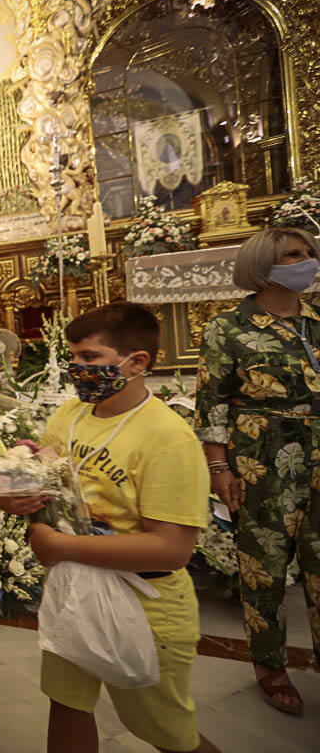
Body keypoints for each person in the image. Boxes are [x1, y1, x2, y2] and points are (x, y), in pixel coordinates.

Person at [0, 302, 220, 753]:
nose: (78, 369)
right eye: (74, 358)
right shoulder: (70, 416)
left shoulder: (167, 437)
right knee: (67, 702)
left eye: (90, 359)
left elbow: (170, 549)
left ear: (137, 362)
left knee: (165, 731)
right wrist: (9, 495)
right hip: (74, 590)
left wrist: (60, 544)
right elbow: (30, 485)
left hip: (145, 601)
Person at [195, 226, 320, 715]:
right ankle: (269, 665)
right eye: (293, 254)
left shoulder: (317, 319)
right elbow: (213, 405)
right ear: (262, 264)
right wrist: (219, 466)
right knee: (263, 569)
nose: (306, 260)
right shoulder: (229, 327)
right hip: (260, 459)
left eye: (309, 253)